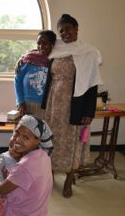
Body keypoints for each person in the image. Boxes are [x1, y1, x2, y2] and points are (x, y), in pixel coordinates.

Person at [42, 14, 103, 198]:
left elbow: (92, 85)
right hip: (54, 105)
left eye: (68, 29)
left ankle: (69, 178)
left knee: (72, 142)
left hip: (74, 105)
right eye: (61, 31)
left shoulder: (89, 52)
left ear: (77, 28)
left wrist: (88, 112)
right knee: (52, 140)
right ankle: (50, 175)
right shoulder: (56, 49)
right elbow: (40, 51)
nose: (65, 33)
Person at [0, 114, 53, 216]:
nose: (18, 139)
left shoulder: (25, 166)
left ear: (37, 140)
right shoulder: (43, 154)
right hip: (37, 214)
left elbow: (2, 189)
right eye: (17, 133)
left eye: (26, 137)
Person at [14, 30, 57, 118]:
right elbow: (17, 81)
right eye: (38, 43)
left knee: (41, 130)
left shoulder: (55, 61)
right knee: (23, 130)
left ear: (52, 45)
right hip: (26, 104)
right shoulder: (28, 59)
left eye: (45, 43)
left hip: (46, 105)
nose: (41, 46)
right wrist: (20, 101)